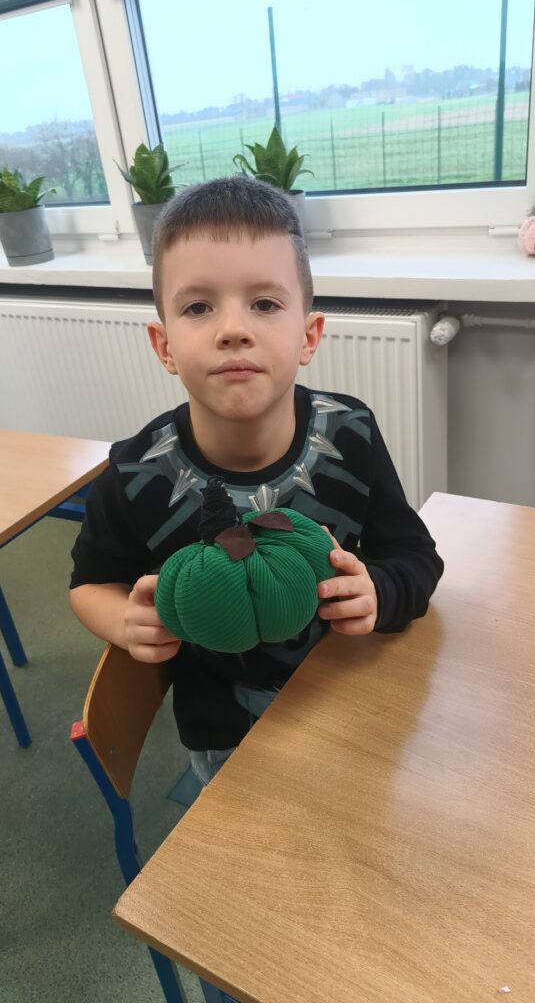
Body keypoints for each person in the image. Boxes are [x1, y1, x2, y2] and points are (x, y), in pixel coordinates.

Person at [69, 174, 444, 787]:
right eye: (198, 307)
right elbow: (89, 584)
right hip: (225, 736)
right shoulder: (134, 474)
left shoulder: (350, 432)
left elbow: (416, 557)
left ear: (308, 336)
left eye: (265, 304)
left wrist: (378, 591)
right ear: (164, 346)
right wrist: (124, 622)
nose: (232, 329)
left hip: (352, 701)